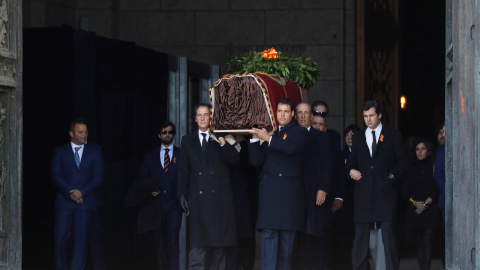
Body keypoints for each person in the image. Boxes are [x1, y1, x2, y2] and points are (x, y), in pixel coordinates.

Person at [248, 98, 308, 270]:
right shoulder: (271, 133)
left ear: (292, 114)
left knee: (286, 246)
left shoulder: (299, 132)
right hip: (269, 193)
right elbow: (255, 161)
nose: (282, 114)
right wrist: (253, 138)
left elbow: (290, 148)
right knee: (268, 239)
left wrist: (267, 138)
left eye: (286, 111)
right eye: (279, 111)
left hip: (288, 195)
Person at [177, 104, 239, 270]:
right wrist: (182, 194)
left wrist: (222, 139)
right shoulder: (187, 140)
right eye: (200, 115)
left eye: (206, 115)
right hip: (197, 202)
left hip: (219, 203)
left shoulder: (223, 137)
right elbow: (183, 171)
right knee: (197, 251)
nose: (203, 118)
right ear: (195, 118)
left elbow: (235, 159)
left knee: (218, 254)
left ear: (211, 118)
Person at [347, 100, 407, 270]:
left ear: (379, 115)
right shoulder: (358, 137)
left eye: (371, 115)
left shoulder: (392, 135)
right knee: (360, 238)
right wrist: (351, 170)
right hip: (363, 195)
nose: (368, 119)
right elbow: (351, 162)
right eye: (365, 116)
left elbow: (402, 161)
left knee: (388, 236)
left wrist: (392, 176)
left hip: (385, 194)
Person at [51, 119, 104, 270]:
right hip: (64, 203)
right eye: (80, 132)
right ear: (71, 133)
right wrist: (71, 193)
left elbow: (98, 177)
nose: (84, 135)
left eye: (86, 132)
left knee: (80, 242)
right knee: (61, 238)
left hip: (86, 203)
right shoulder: (60, 151)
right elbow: (55, 175)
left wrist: (82, 192)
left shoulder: (96, 150)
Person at [138, 121, 182, 270]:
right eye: (164, 132)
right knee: (159, 245)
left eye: (170, 132)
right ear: (159, 135)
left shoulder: (181, 154)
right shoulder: (150, 156)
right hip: (156, 208)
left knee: (173, 243)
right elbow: (143, 178)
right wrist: (150, 190)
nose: (167, 134)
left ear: (174, 135)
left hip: (174, 207)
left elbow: (187, 178)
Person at [293, 103, 332, 270]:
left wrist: (323, 188)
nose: (303, 116)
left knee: (314, 235)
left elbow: (327, 164)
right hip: (294, 193)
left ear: (311, 116)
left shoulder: (321, 136)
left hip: (315, 192)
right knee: (296, 237)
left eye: (306, 113)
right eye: (299, 113)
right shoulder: (290, 134)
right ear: (295, 116)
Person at [402, 138, 440, 270]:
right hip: (414, 210)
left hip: (429, 209)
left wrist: (424, 204)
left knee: (427, 242)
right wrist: (415, 203)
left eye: (423, 149)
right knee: (418, 243)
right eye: (417, 149)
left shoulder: (434, 165)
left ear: (428, 151)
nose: (420, 152)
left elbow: (437, 188)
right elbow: (404, 189)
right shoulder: (410, 166)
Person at [434, 123, 445, 222]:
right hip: (446, 199)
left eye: (444, 132)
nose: (442, 135)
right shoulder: (440, 152)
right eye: (440, 133)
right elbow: (438, 175)